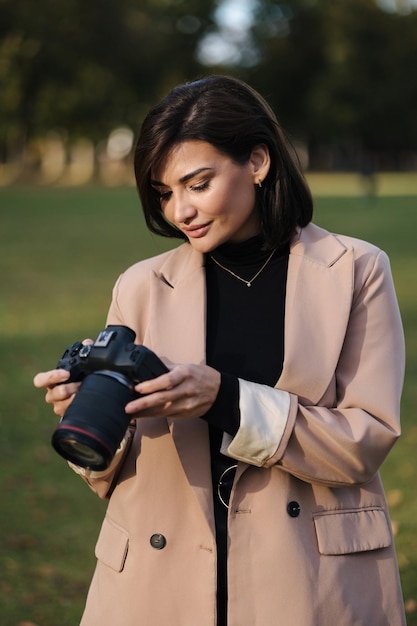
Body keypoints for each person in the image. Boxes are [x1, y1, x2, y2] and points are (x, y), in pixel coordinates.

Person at [33, 75, 406, 626]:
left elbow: (363, 443)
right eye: (164, 193)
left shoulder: (355, 270)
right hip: (159, 584)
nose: (179, 210)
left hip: (309, 580)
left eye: (197, 183)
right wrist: (89, 415)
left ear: (257, 161)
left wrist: (224, 398)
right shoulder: (139, 285)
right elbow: (114, 473)